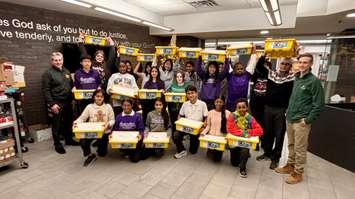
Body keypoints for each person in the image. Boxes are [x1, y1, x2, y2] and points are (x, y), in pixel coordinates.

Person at [275, 53, 325, 184]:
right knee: (291, 145)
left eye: (305, 62)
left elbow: (319, 104)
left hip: (301, 121)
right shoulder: (297, 78)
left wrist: (307, 120)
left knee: (300, 148)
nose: (302, 64)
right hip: (290, 117)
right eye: (300, 62)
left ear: (311, 64)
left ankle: (298, 172)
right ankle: (290, 165)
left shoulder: (314, 81)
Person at [255, 57, 294, 170]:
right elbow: (259, 66)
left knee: (279, 135)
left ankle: (275, 158)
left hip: (281, 110)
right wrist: (264, 55)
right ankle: (267, 153)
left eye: (287, 64)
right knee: (267, 132)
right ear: (279, 64)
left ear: (290, 66)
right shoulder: (271, 74)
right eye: (282, 63)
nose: (284, 66)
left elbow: (300, 71)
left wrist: (297, 54)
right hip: (268, 108)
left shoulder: (291, 77)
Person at [42, 52, 78, 154]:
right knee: (56, 125)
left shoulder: (66, 71)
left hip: (68, 102)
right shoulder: (48, 73)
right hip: (57, 103)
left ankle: (69, 139)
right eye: (56, 60)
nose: (58, 62)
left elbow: (71, 85)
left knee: (68, 122)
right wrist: (52, 104)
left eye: (60, 60)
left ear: (62, 60)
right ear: (52, 61)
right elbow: (45, 90)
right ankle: (57, 144)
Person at [73, 89, 115, 166]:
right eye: (97, 96)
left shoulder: (108, 107)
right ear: (94, 97)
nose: (99, 98)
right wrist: (76, 122)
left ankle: (99, 144)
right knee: (83, 141)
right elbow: (82, 118)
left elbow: (112, 120)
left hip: (104, 132)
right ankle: (90, 155)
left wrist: (108, 124)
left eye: (101, 96)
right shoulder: (89, 107)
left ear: (104, 98)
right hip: (92, 131)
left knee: (102, 154)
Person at [227, 98, 263, 178]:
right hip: (234, 142)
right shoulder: (232, 116)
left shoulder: (250, 118)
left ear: (247, 108)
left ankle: (243, 168)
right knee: (234, 164)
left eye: (243, 107)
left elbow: (260, 131)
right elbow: (230, 129)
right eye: (239, 107)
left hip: (244, 143)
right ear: (236, 108)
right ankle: (243, 156)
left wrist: (248, 132)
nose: (241, 109)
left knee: (245, 149)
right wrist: (244, 133)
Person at [174, 85, 208, 159]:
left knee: (193, 151)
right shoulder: (185, 104)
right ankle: (182, 150)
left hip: (196, 130)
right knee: (176, 135)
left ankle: (195, 142)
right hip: (186, 127)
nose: (190, 95)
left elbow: (206, 118)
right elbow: (180, 115)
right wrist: (179, 123)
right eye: (188, 93)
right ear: (186, 95)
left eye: (192, 93)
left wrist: (203, 128)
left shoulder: (203, 104)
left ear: (196, 93)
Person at [201, 97, 230, 162]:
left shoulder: (228, 113)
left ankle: (217, 151)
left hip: (221, 138)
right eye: (217, 102)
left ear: (223, 103)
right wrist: (203, 133)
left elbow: (229, 128)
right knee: (209, 155)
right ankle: (210, 150)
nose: (218, 104)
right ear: (214, 103)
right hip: (211, 136)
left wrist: (228, 137)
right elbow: (208, 126)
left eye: (220, 102)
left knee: (216, 160)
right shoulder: (210, 112)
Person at [166, 70, 189, 142]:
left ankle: (181, 138)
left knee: (182, 123)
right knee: (173, 122)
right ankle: (174, 138)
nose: (179, 78)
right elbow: (167, 92)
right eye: (177, 77)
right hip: (172, 107)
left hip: (183, 108)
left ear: (183, 77)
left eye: (181, 76)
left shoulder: (187, 85)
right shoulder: (172, 85)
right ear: (175, 78)